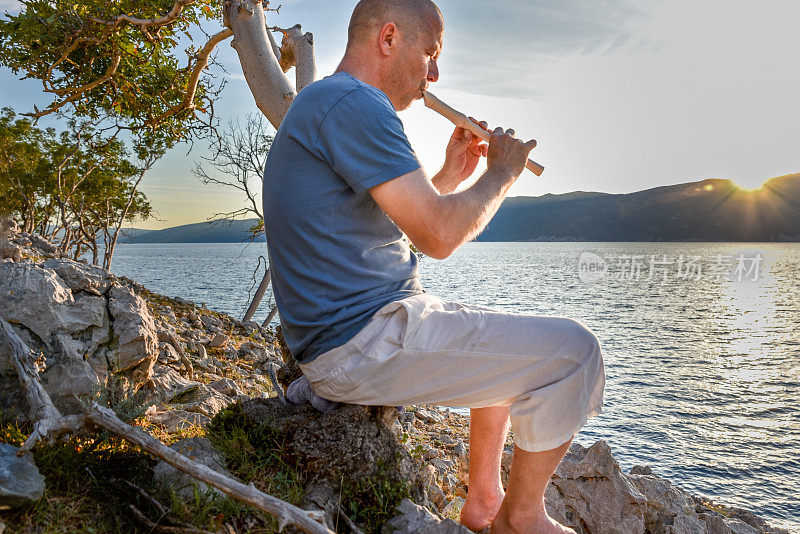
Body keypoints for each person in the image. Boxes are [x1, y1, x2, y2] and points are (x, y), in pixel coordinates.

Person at [262, 0, 605, 532]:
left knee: (509, 349)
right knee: (576, 353)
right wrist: (502, 174)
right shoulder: (355, 103)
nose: (435, 74)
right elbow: (440, 235)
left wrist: (453, 173)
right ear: (390, 37)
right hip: (360, 343)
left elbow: (388, 223)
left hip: (350, 336)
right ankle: (521, 520)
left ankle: (485, 501)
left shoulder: (326, 102)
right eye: (431, 53)